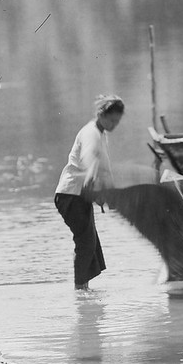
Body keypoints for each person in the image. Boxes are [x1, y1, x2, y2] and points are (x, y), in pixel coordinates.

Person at [54, 94, 124, 289]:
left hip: (80, 195)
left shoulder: (100, 134)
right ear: (101, 115)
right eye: (111, 120)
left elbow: (103, 168)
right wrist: (98, 188)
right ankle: (80, 292)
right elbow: (90, 163)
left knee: (91, 243)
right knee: (85, 242)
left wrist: (105, 192)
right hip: (71, 194)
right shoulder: (91, 133)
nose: (113, 125)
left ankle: (84, 290)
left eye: (116, 122)